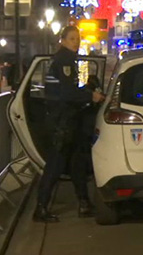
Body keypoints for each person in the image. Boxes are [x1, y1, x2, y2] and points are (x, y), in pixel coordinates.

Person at [33, 26, 105, 223]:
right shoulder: (65, 60)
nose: (76, 42)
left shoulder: (64, 59)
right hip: (61, 120)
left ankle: (84, 203)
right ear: (63, 41)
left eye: (77, 38)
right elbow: (67, 94)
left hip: (65, 119)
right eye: (72, 38)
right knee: (56, 165)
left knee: (76, 162)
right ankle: (41, 208)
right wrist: (91, 95)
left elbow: (68, 90)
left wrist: (85, 91)